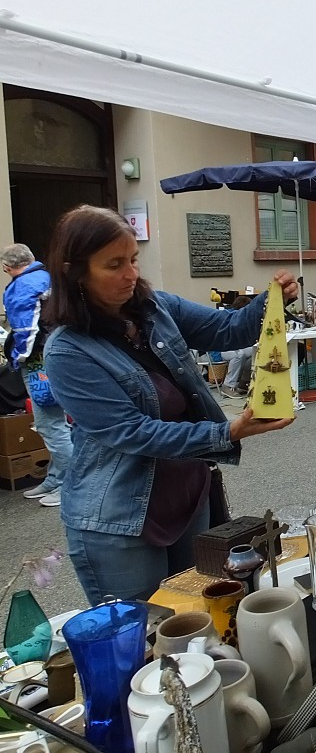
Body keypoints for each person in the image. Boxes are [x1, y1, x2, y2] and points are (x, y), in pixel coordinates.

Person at [42, 206, 295, 605]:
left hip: (187, 498)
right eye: (114, 264)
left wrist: (271, 299)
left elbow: (226, 329)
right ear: (75, 273)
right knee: (143, 636)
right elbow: (131, 432)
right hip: (120, 520)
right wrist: (226, 430)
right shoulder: (67, 350)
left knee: (199, 614)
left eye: (133, 260)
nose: (130, 274)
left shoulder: (155, 308)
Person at [1, 243, 73, 508]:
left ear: (7, 267)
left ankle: (70, 484)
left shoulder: (23, 286)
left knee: (50, 424)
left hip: (39, 360)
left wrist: (16, 359)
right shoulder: (47, 276)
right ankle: (56, 477)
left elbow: (25, 329)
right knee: (58, 422)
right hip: (60, 354)